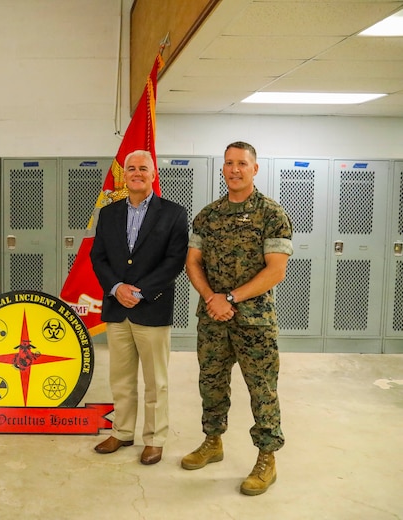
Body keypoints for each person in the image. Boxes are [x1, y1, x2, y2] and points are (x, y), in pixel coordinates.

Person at [181, 141, 292, 496]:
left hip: (254, 323)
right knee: (211, 383)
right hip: (213, 318)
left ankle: (267, 459)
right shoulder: (208, 215)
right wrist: (212, 299)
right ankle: (212, 441)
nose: (234, 169)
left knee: (262, 391)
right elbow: (192, 262)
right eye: (229, 163)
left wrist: (230, 298)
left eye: (242, 163)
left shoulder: (272, 214)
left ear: (254, 169)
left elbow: (276, 271)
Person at [90, 149, 189, 465]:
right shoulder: (109, 213)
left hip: (152, 309)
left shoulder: (173, 213)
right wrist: (117, 288)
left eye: (142, 168)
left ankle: (155, 438)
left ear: (153, 173)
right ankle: (121, 432)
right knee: (121, 378)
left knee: (155, 381)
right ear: (125, 175)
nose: (136, 173)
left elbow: (175, 260)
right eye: (131, 168)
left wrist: (142, 291)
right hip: (117, 309)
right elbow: (98, 257)